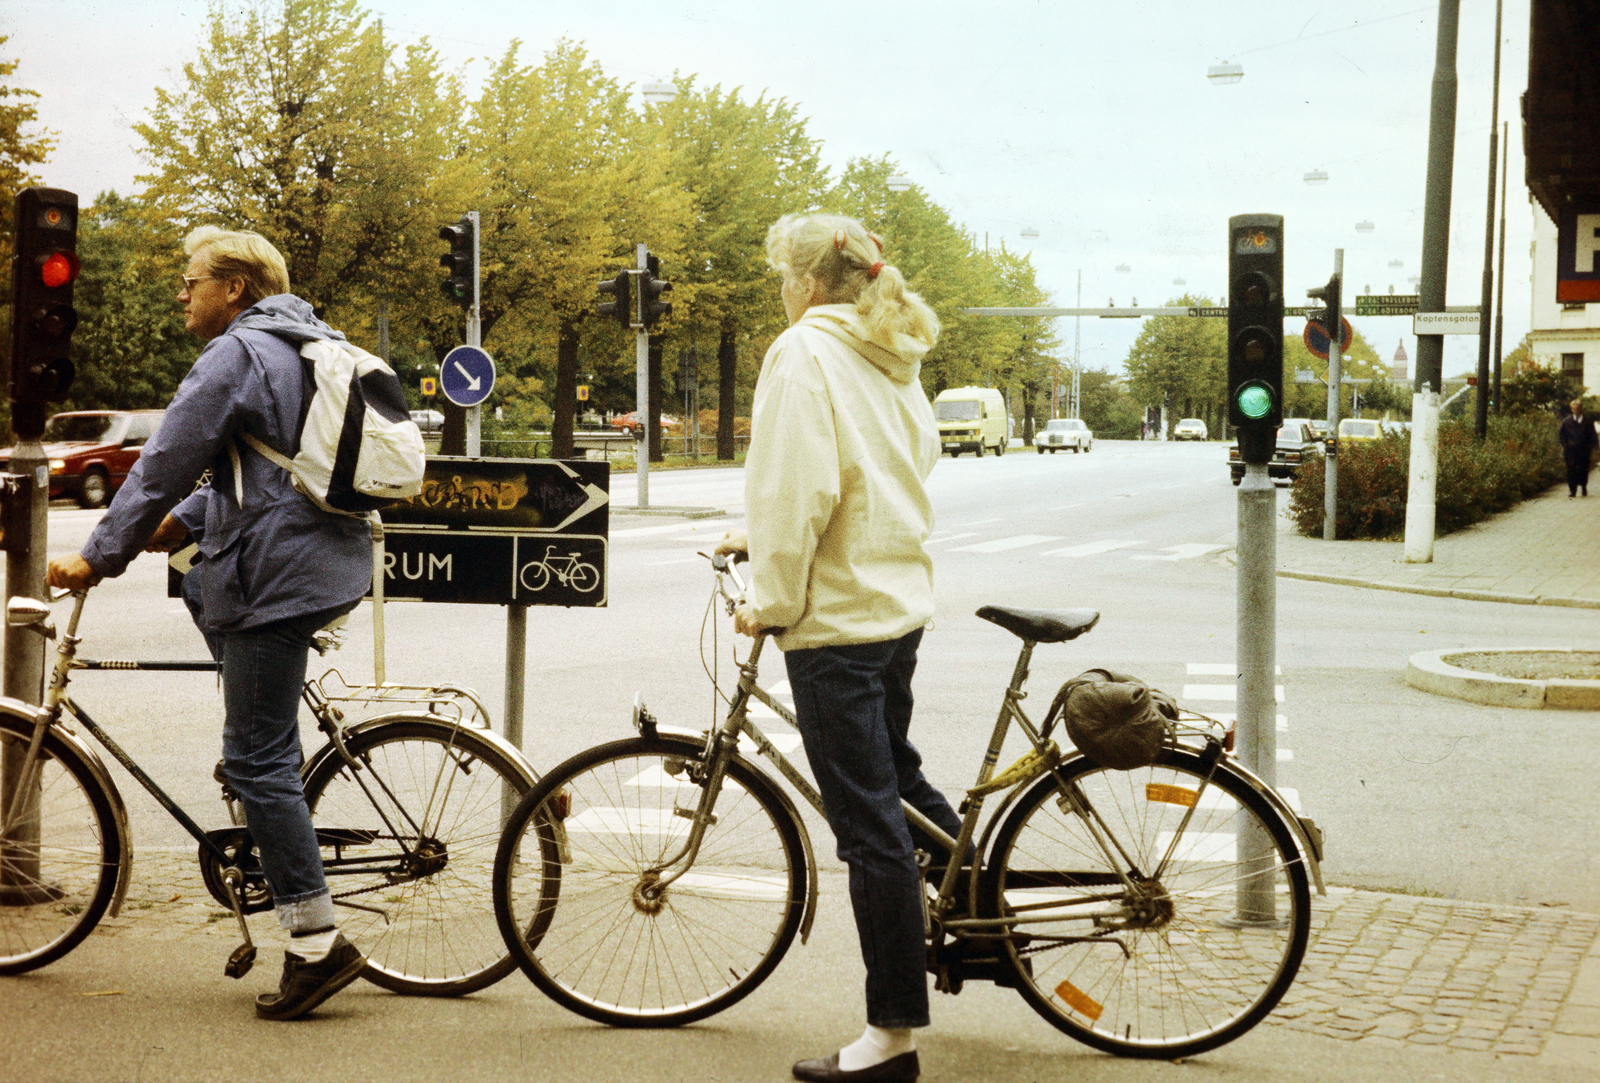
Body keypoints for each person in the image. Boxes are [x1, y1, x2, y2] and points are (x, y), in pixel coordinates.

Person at [47, 226, 373, 1019]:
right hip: (312, 559)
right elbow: (267, 469)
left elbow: (164, 457)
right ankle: (269, 789)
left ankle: (315, 943)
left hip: (277, 576)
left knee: (256, 760)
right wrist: (186, 521)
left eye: (191, 280)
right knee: (258, 745)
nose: (181, 293)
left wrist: (100, 554)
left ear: (234, 287)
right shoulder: (306, 346)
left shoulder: (237, 352)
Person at [717, 213, 960, 1083]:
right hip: (895, 604)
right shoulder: (888, 350)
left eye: (783, 277)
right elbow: (894, 466)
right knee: (898, 781)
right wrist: (767, 537)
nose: (782, 293)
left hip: (838, 625)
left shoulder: (803, 352)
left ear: (809, 284)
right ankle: (977, 905)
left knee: (868, 828)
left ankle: (891, 1034)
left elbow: (799, 486)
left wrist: (770, 602)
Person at [1559, 398, 1597, 498]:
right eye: (1573, 409)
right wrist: (1565, 445)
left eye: (1577, 408)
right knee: (1571, 469)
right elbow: (1562, 435)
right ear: (1571, 409)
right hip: (1570, 450)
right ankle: (1573, 490)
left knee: (1583, 469)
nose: (1576, 410)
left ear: (1580, 409)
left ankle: (1583, 486)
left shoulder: (1587, 421)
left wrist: (1593, 446)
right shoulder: (1567, 422)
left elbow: (1592, 434)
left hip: (1584, 450)